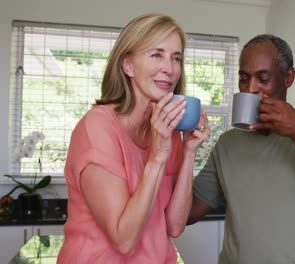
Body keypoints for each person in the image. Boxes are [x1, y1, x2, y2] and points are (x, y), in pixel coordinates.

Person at [188, 34, 295, 263]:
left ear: (288, 77)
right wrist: (176, 151)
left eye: (263, 78)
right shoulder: (227, 144)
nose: (251, 89)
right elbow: (188, 212)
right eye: (244, 79)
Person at [58, 13, 210, 263]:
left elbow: (174, 226)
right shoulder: (97, 127)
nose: (169, 69)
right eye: (156, 54)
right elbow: (124, 240)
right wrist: (158, 156)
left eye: (176, 58)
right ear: (127, 65)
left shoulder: (166, 132)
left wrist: (189, 150)